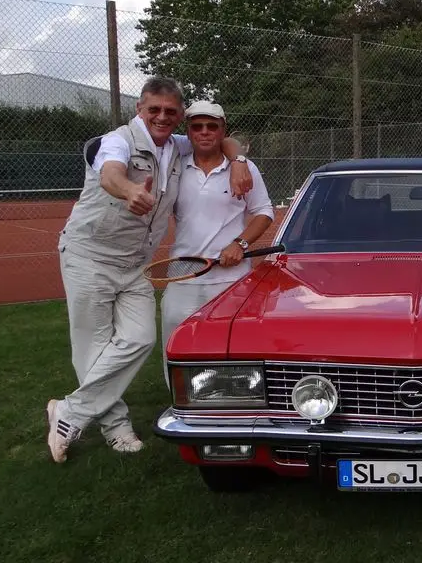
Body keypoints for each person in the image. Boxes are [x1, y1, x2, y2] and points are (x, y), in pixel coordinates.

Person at [46, 77, 253, 464]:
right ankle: (115, 427)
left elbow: (224, 140)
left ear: (179, 115)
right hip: (90, 256)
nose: (161, 117)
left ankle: (69, 410)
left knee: (140, 339)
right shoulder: (118, 141)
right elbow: (110, 172)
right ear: (139, 109)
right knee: (94, 344)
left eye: (170, 111)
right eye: (153, 109)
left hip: (135, 264)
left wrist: (238, 161)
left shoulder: (176, 145)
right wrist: (129, 190)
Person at [159, 101, 274, 388]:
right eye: (197, 126)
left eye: (212, 126)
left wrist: (240, 243)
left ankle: (234, 403)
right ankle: (180, 402)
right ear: (189, 132)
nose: (205, 132)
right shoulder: (175, 166)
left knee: (232, 349)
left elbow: (264, 212)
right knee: (177, 347)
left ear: (222, 130)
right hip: (183, 274)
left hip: (231, 278)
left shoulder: (244, 168)